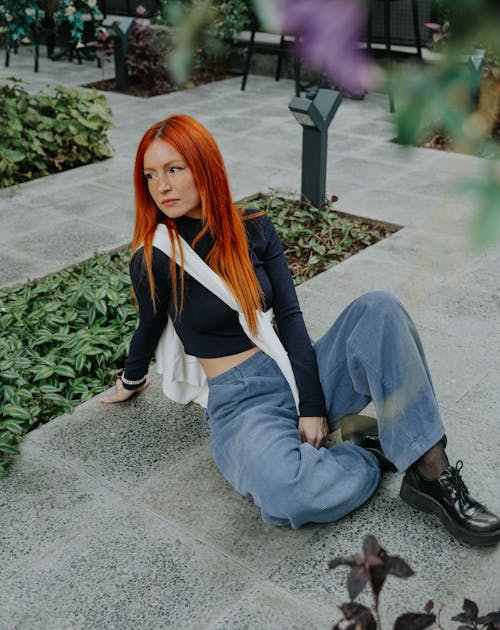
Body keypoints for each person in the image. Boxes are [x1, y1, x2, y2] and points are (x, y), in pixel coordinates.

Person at [102, 114, 500, 546]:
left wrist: (311, 404)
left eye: (174, 168)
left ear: (205, 166)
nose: (161, 186)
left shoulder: (253, 226)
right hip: (242, 402)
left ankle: (430, 472)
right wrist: (131, 379)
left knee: (380, 308)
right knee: (286, 493)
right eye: (150, 175)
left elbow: (290, 316)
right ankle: (368, 448)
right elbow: (150, 323)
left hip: (294, 367)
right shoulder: (155, 256)